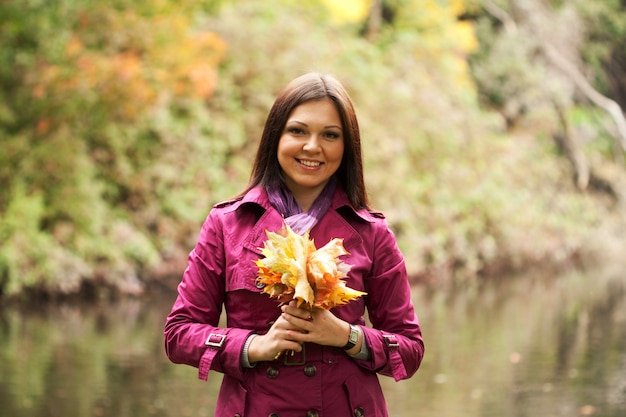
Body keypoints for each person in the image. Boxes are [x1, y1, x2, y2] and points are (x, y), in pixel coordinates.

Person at [164, 72, 425, 417]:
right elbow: (179, 334)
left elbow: (410, 349)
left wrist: (347, 336)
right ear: (276, 136)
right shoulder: (227, 224)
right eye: (298, 131)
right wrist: (254, 346)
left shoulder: (371, 232)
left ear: (346, 147)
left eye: (330, 135)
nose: (312, 147)